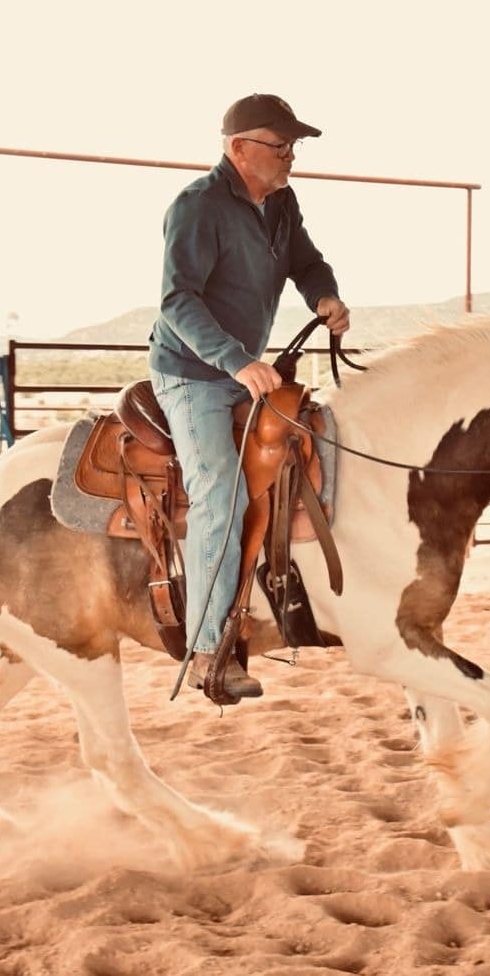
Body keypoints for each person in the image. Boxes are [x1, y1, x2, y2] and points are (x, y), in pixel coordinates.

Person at [147, 94, 350, 700]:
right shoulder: (197, 206)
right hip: (193, 372)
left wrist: (325, 297)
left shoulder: (281, 202)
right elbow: (178, 301)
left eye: (294, 148)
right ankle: (208, 650)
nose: (291, 157)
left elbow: (307, 263)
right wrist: (236, 361)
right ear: (239, 149)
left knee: (320, 446)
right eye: (280, 146)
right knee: (221, 494)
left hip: (243, 370)